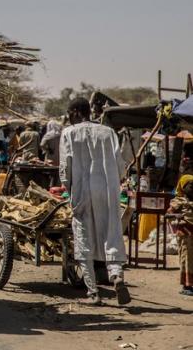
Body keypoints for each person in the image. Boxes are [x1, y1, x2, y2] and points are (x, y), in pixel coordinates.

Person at [59, 97, 130, 306]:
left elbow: (65, 169)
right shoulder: (108, 132)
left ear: (74, 112)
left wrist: (68, 189)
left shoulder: (69, 133)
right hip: (107, 191)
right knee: (112, 233)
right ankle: (116, 275)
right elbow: (120, 166)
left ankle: (93, 293)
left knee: (83, 240)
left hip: (82, 191)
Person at [170, 174, 193, 296]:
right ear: (183, 187)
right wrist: (177, 217)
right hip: (184, 235)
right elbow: (168, 215)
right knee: (186, 259)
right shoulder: (177, 201)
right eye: (190, 186)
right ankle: (187, 285)